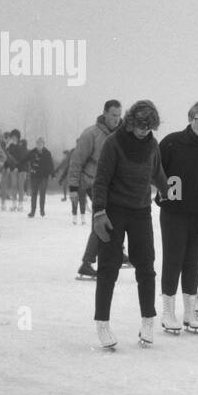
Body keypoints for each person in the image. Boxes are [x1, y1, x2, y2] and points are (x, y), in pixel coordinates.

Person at [91, 100, 169, 349]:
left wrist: (168, 192)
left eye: (149, 127)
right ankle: (102, 323)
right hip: (114, 211)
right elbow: (101, 179)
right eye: (141, 126)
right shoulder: (114, 143)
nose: (144, 131)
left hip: (140, 211)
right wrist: (99, 213)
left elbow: (156, 173)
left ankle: (148, 321)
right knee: (109, 267)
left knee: (146, 266)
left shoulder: (151, 145)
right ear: (131, 122)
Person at [157, 102, 198, 335]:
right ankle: (167, 312)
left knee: (193, 263)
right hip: (173, 214)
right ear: (190, 118)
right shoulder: (172, 142)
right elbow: (155, 170)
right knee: (173, 261)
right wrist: (162, 193)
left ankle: (189, 312)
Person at [69, 100, 122, 279]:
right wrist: (73, 187)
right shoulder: (91, 134)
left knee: (115, 217)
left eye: (119, 115)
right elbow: (76, 160)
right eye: (113, 115)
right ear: (105, 114)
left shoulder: (122, 134)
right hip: (93, 183)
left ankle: (117, 252)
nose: (117, 119)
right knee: (102, 219)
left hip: (114, 185)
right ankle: (87, 263)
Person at [26, 137, 55, 217]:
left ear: (43, 144)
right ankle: (32, 211)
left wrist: (53, 174)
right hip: (34, 176)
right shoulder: (32, 152)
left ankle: (42, 210)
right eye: (38, 143)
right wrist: (18, 165)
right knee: (34, 194)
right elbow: (25, 159)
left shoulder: (47, 153)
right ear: (36, 144)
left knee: (42, 194)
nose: (39, 145)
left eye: (41, 143)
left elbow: (50, 164)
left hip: (44, 177)